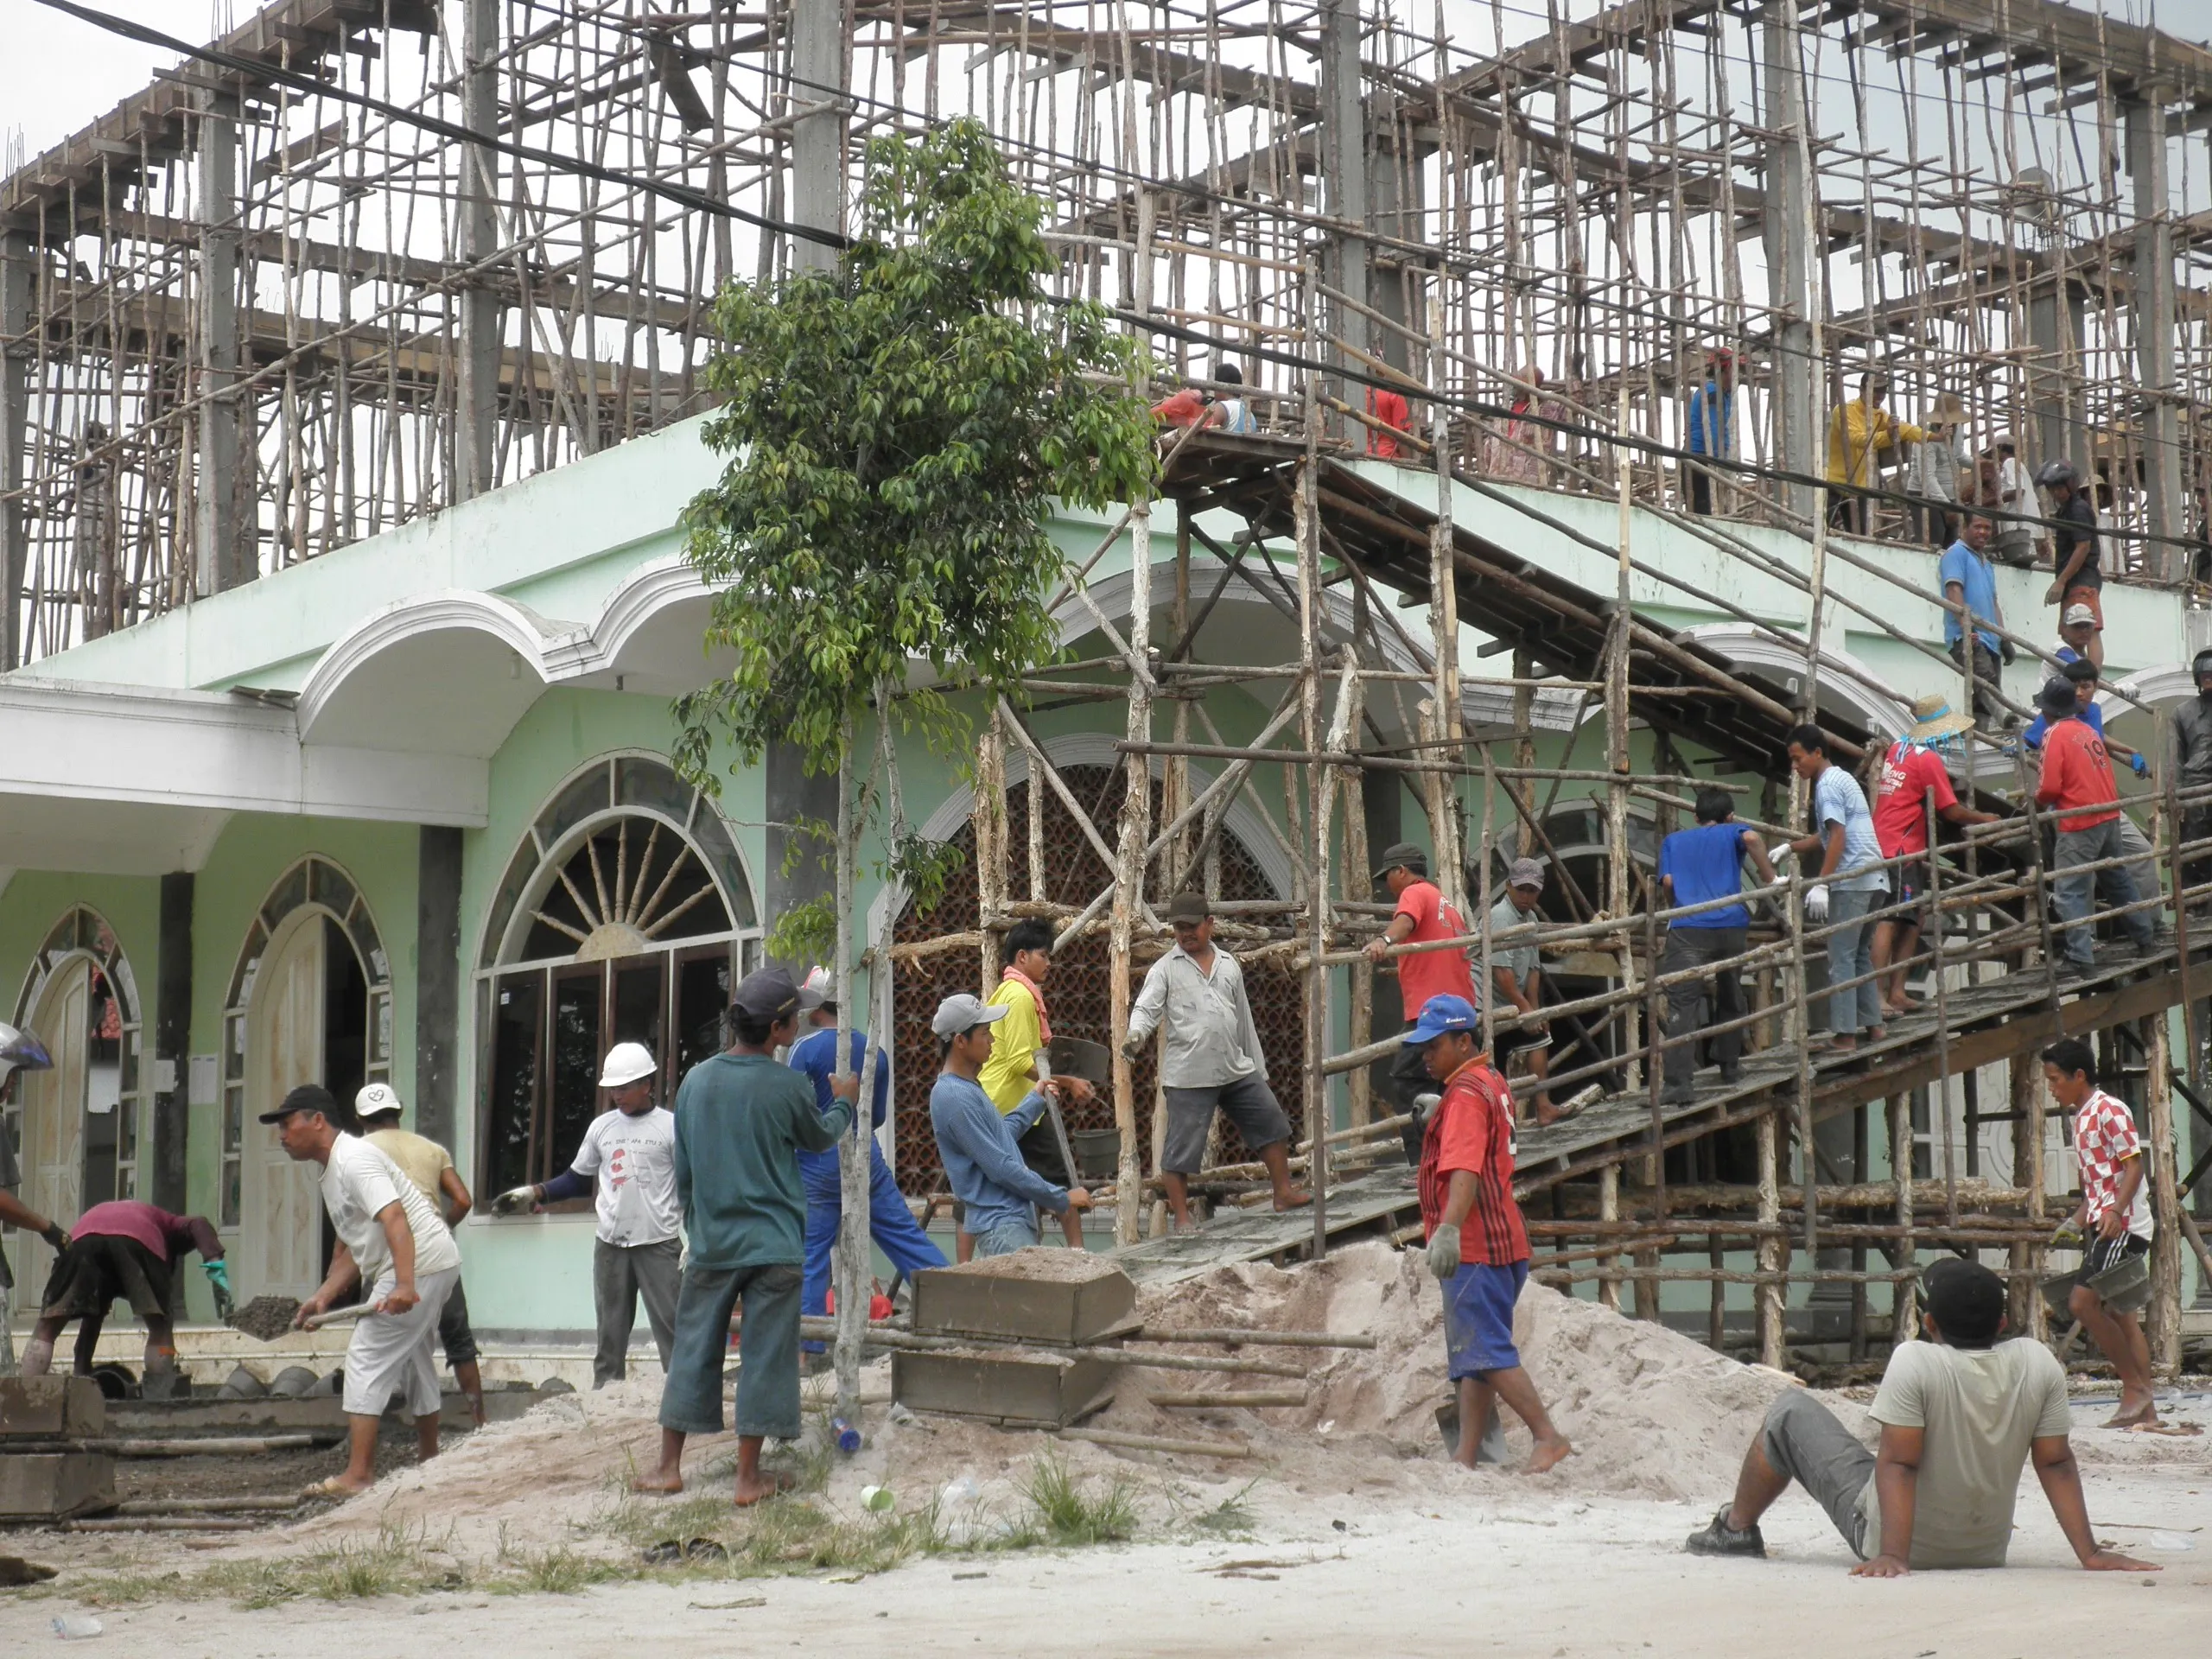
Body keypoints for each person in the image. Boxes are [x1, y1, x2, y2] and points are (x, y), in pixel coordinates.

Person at [1685, 1257, 2154, 1577]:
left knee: (1788, 1411)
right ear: (2001, 1325)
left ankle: (1736, 1529)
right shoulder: (2037, 1362)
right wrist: (2089, 1553)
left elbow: (1900, 1464)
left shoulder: (1916, 1360)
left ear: (1930, 1325)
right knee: (1880, 1460)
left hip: (1897, 1542)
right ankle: (1739, 1528)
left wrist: (1891, 1554)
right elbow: (2056, 1463)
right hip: (1984, 1550)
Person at [632, 970, 854, 1504]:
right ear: (777, 1029)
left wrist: (697, 1228)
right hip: (774, 1244)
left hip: (711, 1243)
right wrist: (843, 1100)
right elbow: (821, 1137)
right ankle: (749, 1479)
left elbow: (683, 1170)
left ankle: (667, 1468)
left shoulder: (695, 1082)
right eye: (793, 1018)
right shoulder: (788, 1086)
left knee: (692, 1351)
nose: (798, 1023)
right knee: (767, 1355)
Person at [1405, 994, 1572, 1476]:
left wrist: (1449, 1231)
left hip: (1476, 1247)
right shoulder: (1490, 1081)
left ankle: (1547, 1435)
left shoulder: (1464, 1097)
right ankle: (1467, 1454)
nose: (1426, 1056)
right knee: (1473, 1359)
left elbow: (1464, 1171)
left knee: (1485, 1351)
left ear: (1463, 1041)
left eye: (1434, 1046)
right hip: (1506, 1242)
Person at [272, 1084, 462, 1497]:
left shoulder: (355, 1160)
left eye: (287, 1124)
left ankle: (359, 1476)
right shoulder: (332, 1169)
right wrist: (323, 1296)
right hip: (428, 1260)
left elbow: (395, 1219)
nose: (282, 1136)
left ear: (317, 1120)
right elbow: (362, 1248)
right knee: (415, 1359)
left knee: (366, 1357)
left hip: (421, 1261)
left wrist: (406, 1285)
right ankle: (431, 1462)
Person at [496, 1042, 682, 1389]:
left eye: (624, 1088)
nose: (616, 1095)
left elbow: (691, 1183)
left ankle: (683, 1392)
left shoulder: (671, 1128)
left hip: (658, 1243)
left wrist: (697, 1237)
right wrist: (534, 1193)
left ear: (647, 1084)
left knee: (673, 1326)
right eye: (612, 1089)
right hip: (610, 1244)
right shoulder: (602, 1128)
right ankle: (606, 1398)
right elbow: (579, 1179)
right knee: (610, 1330)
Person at [1123, 892, 1308, 1230]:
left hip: (1235, 1067)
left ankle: (1283, 1192)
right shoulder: (1166, 968)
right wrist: (1136, 1034)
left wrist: (1258, 1067)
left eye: (1192, 926)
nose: (1186, 933)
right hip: (1189, 1074)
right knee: (1179, 1150)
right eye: (1179, 927)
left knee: (1272, 1123)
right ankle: (1182, 1219)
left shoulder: (1228, 965)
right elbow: (1146, 1008)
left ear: (1210, 924)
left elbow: (1243, 1021)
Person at [788, 969, 946, 1341]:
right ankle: (954, 1308)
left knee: (810, 1255)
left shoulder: (804, 1050)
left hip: (816, 1162)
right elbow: (875, 1116)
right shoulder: (874, 1050)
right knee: (905, 1238)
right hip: (865, 1156)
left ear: (815, 1008)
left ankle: (809, 1350)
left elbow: (792, 1114)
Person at [2042, 1038, 2159, 1427]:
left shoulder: (2109, 1110)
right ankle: (2146, 1409)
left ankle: (2134, 1389)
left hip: (2121, 1228)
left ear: (2079, 1076)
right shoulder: (2081, 1117)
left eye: (2056, 1079)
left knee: (2081, 1304)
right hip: (2106, 1223)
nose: (2051, 1087)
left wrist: (2115, 1210)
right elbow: (2098, 1184)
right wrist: (2076, 1221)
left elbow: (2134, 1166)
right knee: (2122, 1315)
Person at [356, 1082, 485, 1426]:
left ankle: (368, 1427)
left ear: (359, 1118)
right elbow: (463, 1200)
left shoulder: (358, 1152)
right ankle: (480, 1422)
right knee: (459, 1338)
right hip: (437, 1254)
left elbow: (354, 1218)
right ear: (398, 1112)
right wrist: (439, 1226)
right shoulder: (431, 1149)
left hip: (388, 1259)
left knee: (371, 1346)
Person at [930, 992, 1092, 1258]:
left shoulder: (967, 1087)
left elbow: (1000, 1136)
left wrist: (1035, 1099)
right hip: (1002, 1229)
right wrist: (1060, 1197)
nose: (992, 1041)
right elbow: (1001, 1168)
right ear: (960, 1041)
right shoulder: (955, 1097)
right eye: (985, 1034)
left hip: (1010, 1223)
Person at [1869, 698, 1999, 1019]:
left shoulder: (1898, 747)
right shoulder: (1927, 759)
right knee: (1889, 918)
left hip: (1887, 840)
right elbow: (1951, 811)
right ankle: (1878, 996)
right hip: (1901, 848)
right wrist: (1984, 818)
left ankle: (1896, 991)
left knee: (1914, 917)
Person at [973, 919, 1096, 1255]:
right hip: (1015, 1107)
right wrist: (1067, 1082)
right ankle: (1079, 1255)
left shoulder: (1012, 991)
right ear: (1023, 957)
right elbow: (1018, 1062)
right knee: (1061, 1180)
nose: (1050, 963)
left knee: (980, 1187)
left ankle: (965, 1265)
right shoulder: (1020, 996)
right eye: (1044, 955)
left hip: (1005, 1104)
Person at [20, 1199, 226, 1388]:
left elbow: (93, 1318)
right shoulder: (168, 1223)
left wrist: (81, 1368)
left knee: (49, 1323)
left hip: (81, 1239)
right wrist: (215, 1264)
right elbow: (198, 1223)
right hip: (137, 1236)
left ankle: (26, 1394)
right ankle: (159, 1390)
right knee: (160, 1323)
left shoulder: (132, 1213)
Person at [1656, 790, 1776, 1104]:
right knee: (1731, 991)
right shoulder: (1731, 831)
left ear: (1695, 817)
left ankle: (1679, 1086)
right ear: (1730, 816)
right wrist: (1771, 878)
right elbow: (1752, 838)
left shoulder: (1673, 841)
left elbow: (1668, 883)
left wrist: (1677, 909)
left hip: (1688, 930)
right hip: (1731, 927)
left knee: (1683, 1007)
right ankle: (1729, 1065)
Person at [2033, 677, 2156, 976]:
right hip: (2108, 814)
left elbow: (2049, 786)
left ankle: (2080, 957)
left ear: (2048, 711)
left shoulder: (2054, 735)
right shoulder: (2087, 731)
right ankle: (2145, 936)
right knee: (2118, 879)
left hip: (2079, 819)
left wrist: (2037, 802)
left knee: (2070, 888)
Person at [1784, 725, 1889, 1051]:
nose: (1795, 766)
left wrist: (1823, 884)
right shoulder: (1843, 779)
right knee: (1858, 955)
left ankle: (1844, 1035)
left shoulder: (1827, 786)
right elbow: (1827, 836)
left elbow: (1838, 838)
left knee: (1841, 958)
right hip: (1874, 877)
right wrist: (1792, 848)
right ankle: (1874, 1026)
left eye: (1798, 758)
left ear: (1817, 753)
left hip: (1852, 880)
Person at [1364, 842, 1480, 1121]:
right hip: (1462, 1012)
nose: (1386, 885)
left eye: (1388, 876)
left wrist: (1384, 939)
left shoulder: (1414, 892)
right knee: (1448, 1085)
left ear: (1401, 871)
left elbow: (1405, 923)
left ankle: (1424, 1159)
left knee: (1409, 1084)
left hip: (1432, 1013)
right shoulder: (1445, 903)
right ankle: (1447, 1146)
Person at [1487, 859, 1559, 1125]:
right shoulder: (1501, 916)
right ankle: (1497, 1123)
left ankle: (1543, 1107)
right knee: (1488, 1064)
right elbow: (1501, 973)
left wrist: (1534, 1007)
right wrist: (1525, 1009)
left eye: (1532, 890)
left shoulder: (1531, 919)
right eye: (1522, 889)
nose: (1527, 896)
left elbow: (1533, 969)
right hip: (1486, 1003)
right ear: (1508, 886)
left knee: (1541, 1036)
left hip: (1510, 999)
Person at [1825, 372, 1923, 537]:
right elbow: (1857, 439)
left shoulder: (1879, 414)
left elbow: (1903, 428)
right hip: (1835, 483)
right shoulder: (1844, 411)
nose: (1880, 396)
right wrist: (1888, 436)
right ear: (1862, 390)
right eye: (1876, 391)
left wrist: (1928, 436)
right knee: (1825, 531)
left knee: (1859, 536)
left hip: (1859, 486)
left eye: (1883, 391)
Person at [1936, 512, 2012, 724]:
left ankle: (1979, 743)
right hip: (1969, 637)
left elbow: (1994, 602)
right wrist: (1967, 629)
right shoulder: (1956, 554)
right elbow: (1953, 591)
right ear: (1965, 528)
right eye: (1978, 527)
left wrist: (2004, 637)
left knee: (1982, 701)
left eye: (1987, 528)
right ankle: (2005, 718)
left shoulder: (1986, 563)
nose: (1983, 532)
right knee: (1987, 683)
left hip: (1991, 641)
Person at [2037, 461, 2103, 670]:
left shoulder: (2078, 509)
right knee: (2072, 635)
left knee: (2089, 631)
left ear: (2071, 484)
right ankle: (2079, 678)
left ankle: (2092, 680)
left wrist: (2061, 581)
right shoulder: (2066, 511)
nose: (2056, 493)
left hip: (2082, 581)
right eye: (2052, 489)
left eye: (2059, 487)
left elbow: (2083, 547)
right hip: (2074, 583)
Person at [2172, 649, 2212, 904]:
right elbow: (2175, 758)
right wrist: (2176, 796)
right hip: (2195, 788)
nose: (2209, 680)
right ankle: (2194, 906)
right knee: (2194, 848)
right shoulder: (2182, 713)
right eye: (2205, 676)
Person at [1480, 364, 1563, 485]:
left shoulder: (1546, 410)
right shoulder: (1504, 412)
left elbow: (1575, 408)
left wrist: (1576, 373)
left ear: (1532, 383)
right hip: (1497, 483)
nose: (1516, 380)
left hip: (1527, 486)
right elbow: (1488, 449)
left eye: (1522, 376)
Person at [1684, 347, 1735, 516]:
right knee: (1705, 516)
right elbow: (1713, 431)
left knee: (1711, 514)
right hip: (1700, 461)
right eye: (1734, 370)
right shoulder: (1712, 392)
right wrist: (1721, 463)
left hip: (1705, 460)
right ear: (1725, 370)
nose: (1737, 376)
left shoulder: (1722, 393)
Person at [1914, 393, 1967, 548]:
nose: (1954, 425)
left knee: (1952, 545)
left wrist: (1979, 463)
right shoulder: (1926, 437)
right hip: (1925, 495)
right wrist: (1946, 506)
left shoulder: (1958, 430)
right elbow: (1927, 477)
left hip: (1948, 497)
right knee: (1933, 542)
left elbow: (1958, 455)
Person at [1988, 434, 2037, 568]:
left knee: (2024, 565)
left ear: (2001, 448)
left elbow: (2018, 490)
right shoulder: (2017, 466)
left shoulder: (2010, 463)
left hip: (2019, 528)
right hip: (2022, 527)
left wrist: (1989, 502)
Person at [1365, 384, 1411, 460]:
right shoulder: (1394, 394)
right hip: (1388, 457)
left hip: (1363, 456)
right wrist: (1410, 464)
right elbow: (1401, 436)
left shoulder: (1358, 393)